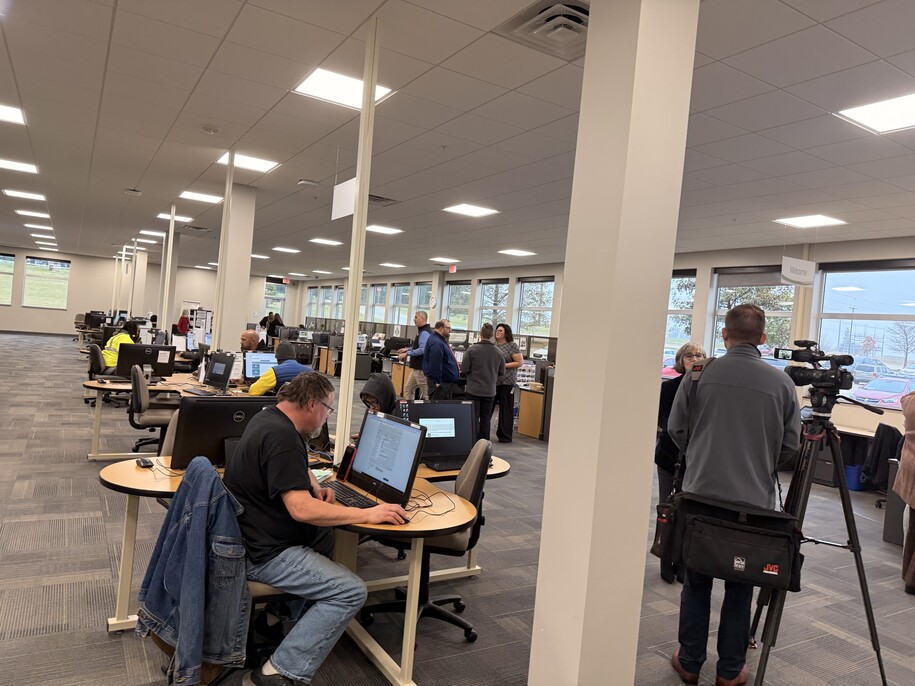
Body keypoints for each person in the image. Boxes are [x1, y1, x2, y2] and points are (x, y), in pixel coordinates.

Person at [224, 372, 408, 686]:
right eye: (328, 410)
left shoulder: (270, 418)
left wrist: (308, 481)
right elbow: (301, 509)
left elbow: (285, 468)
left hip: (250, 532)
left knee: (326, 535)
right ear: (312, 404)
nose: (327, 418)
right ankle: (278, 671)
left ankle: (277, 620)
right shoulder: (282, 438)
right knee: (350, 591)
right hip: (262, 553)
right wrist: (369, 513)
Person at [667, 305, 800, 686]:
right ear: (763, 340)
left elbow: (676, 429)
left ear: (724, 336)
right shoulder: (782, 384)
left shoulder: (697, 375)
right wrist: (758, 462)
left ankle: (690, 662)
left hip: (700, 495)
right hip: (754, 502)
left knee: (697, 582)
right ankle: (730, 671)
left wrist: (701, 456)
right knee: (741, 584)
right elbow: (790, 446)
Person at [654, 341, 706, 583]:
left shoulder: (709, 389)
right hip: (670, 455)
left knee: (690, 511)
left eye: (700, 355)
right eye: (689, 356)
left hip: (697, 458)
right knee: (668, 508)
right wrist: (683, 434)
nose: (695, 359)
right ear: (681, 361)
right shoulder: (670, 387)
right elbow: (664, 418)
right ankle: (665, 558)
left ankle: (683, 561)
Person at [461, 323, 505, 442]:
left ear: (480, 334)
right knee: (486, 419)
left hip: (473, 390)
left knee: (473, 418)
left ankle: (472, 442)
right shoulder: (499, 352)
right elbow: (501, 372)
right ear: (491, 335)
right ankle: (484, 445)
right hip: (490, 391)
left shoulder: (471, 350)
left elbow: (464, 369)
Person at [895, 392, 915, 595]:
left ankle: (910, 579)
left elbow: (906, 397)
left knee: (912, 531)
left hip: (910, 467)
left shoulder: (910, 402)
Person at [493, 323, 523, 443]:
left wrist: (503, 366)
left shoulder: (512, 346)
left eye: (500, 331)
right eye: (497, 330)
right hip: (494, 382)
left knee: (506, 409)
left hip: (507, 381)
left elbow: (519, 362)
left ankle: (505, 435)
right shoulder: (494, 346)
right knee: (490, 407)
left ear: (506, 333)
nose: (497, 332)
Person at [248, 342, 313, 396]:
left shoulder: (274, 372)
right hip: (306, 409)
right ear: (294, 356)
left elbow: (253, 392)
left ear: (277, 358)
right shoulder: (310, 372)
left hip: (283, 408)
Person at [398, 310, 433, 400]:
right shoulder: (422, 331)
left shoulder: (424, 332)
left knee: (427, 394)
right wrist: (408, 349)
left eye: (416, 317)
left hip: (421, 370)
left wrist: (407, 353)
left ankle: (431, 412)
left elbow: (423, 349)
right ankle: (410, 410)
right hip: (416, 370)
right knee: (408, 389)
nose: (414, 319)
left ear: (422, 319)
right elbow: (420, 346)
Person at [423, 319, 460, 400]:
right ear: (440, 328)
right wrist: (438, 381)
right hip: (439, 385)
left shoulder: (440, 340)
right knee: (436, 409)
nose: (450, 330)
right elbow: (435, 364)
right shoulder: (437, 342)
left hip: (443, 383)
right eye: (448, 328)